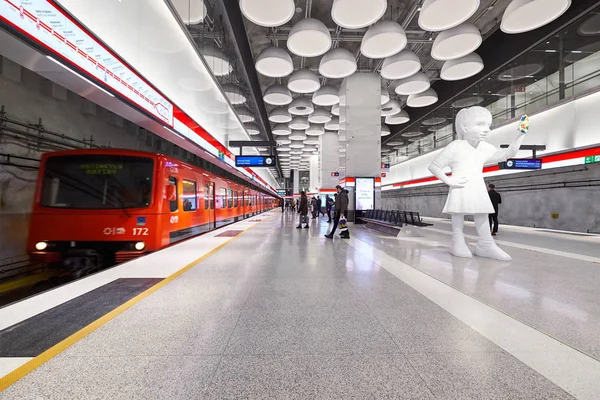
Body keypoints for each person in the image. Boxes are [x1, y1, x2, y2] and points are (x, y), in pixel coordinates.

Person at [428, 107, 527, 261]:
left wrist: (519, 136)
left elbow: (508, 154)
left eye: (488, 125)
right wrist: (449, 180)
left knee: (482, 212)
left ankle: (486, 243)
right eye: (480, 124)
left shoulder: (485, 148)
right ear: (464, 127)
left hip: (477, 184)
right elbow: (434, 166)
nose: (486, 130)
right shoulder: (455, 146)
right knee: (458, 212)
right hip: (460, 184)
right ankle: (458, 241)